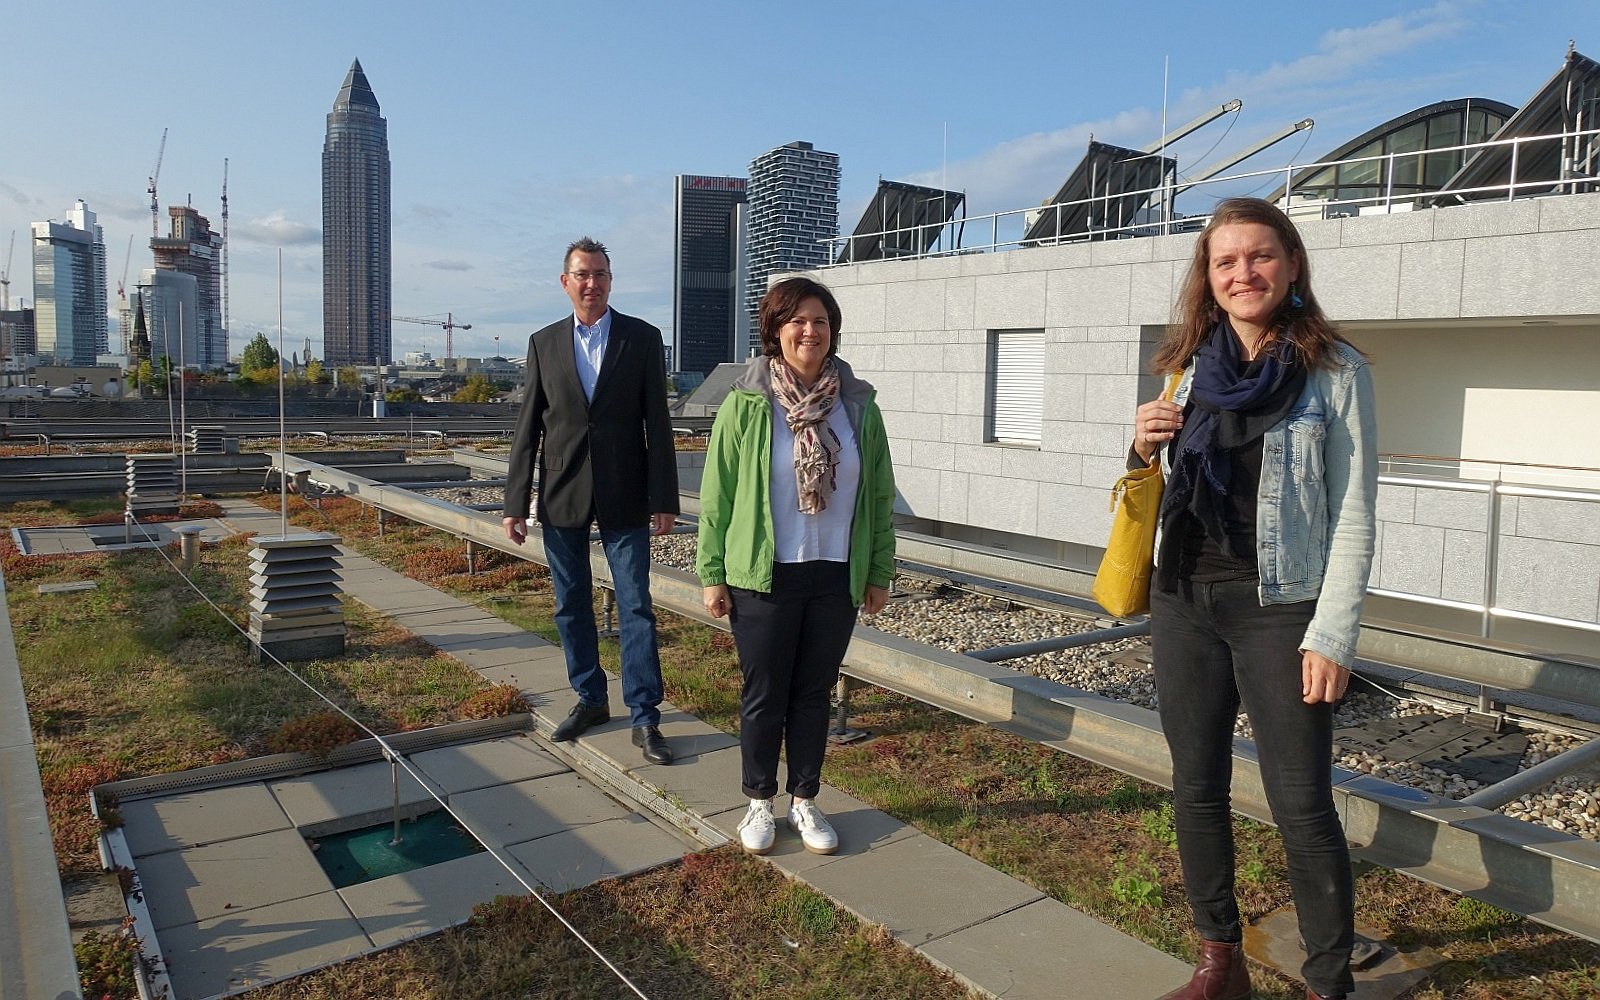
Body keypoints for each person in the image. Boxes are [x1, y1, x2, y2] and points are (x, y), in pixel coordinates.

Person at [1130, 198, 1377, 1000]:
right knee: (1195, 784)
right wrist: (1139, 442)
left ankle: (1326, 984)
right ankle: (1218, 962)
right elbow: (1163, 486)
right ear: (1208, 276)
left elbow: (1355, 512)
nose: (1243, 273)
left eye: (1259, 256)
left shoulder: (1335, 372)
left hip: (1280, 608)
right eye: (1225, 261)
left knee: (1301, 805)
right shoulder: (1187, 364)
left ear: (1292, 263)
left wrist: (1332, 634)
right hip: (1183, 596)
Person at [697, 276, 896, 856]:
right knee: (765, 692)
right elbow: (719, 496)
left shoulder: (857, 406)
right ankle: (758, 800)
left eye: (821, 321)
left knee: (814, 692)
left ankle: (805, 800)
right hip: (764, 574)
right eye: (798, 321)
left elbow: (879, 493)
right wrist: (712, 572)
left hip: (835, 571)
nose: (810, 331)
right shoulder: (746, 404)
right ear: (776, 331)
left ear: (833, 331)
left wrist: (878, 570)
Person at [504, 237, 679, 766]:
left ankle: (645, 717)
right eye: (582, 274)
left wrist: (663, 496)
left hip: (626, 490)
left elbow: (658, 425)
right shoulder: (543, 343)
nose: (592, 283)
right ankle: (590, 698)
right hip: (562, 491)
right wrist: (516, 499)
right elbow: (529, 424)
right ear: (565, 282)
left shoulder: (643, 339)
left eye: (601, 274)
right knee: (569, 605)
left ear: (610, 280)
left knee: (635, 607)